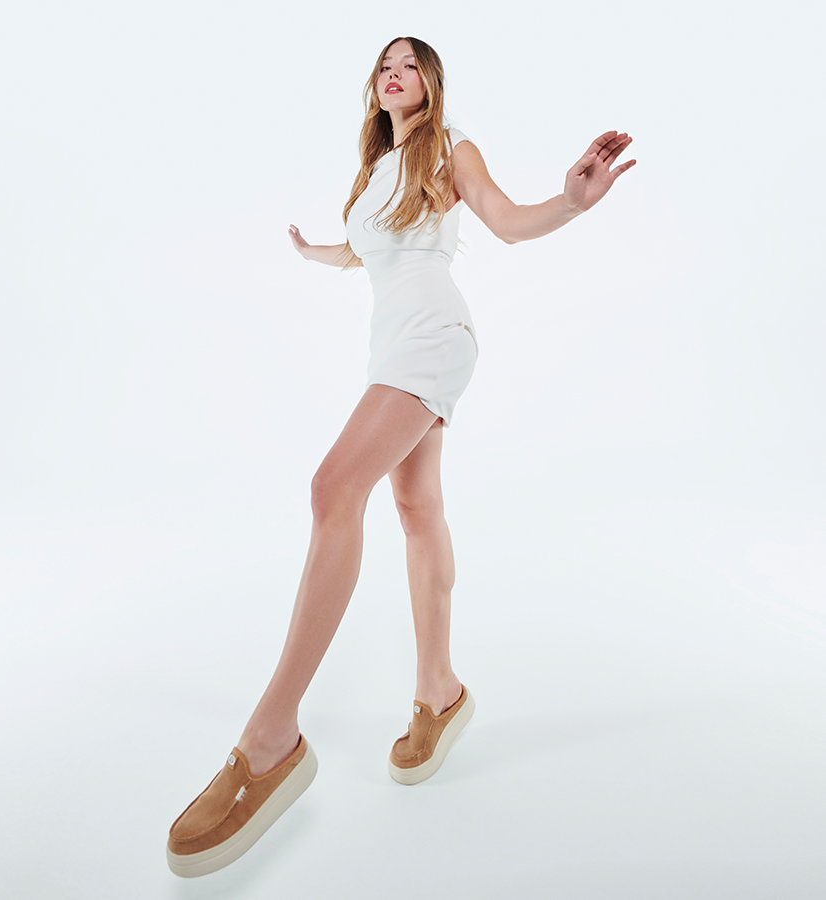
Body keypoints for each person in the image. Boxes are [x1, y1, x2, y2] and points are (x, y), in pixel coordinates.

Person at [166, 35, 636, 877]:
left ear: (431, 83)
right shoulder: (376, 170)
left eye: (411, 63)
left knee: (331, 489)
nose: (396, 72)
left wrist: (569, 203)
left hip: (433, 335)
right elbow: (365, 250)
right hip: (392, 347)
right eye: (386, 63)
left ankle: (271, 739)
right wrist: (313, 251)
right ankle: (440, 691)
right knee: (416, 509)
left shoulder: (451, 148)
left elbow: (506, 221)